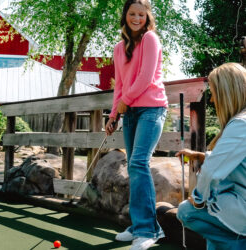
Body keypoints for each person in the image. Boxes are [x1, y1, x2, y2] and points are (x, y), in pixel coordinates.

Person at [105, 1, 168, 249]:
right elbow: (119, 85)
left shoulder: (151, 39)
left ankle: (149, 230)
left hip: (152, 108)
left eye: (142, 14)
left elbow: (145, 76)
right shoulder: (119, 48)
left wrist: (125, 103)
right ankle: (139, 224)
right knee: (133, 167)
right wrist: (113, 115)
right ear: (125, 15)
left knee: (139, 163)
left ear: (147, 16)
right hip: (129, 112)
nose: (137, 18)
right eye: (132, 14)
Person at [176, 63, 246, 250]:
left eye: (214, 93)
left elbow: (211, 173)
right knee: (215, 223)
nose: (213, 100)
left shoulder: (241, 124)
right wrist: (201, 155)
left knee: (186, 211)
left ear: (227, 93)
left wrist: (198, 199)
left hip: (244, 209)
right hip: (240, 202)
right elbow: (235, 157)